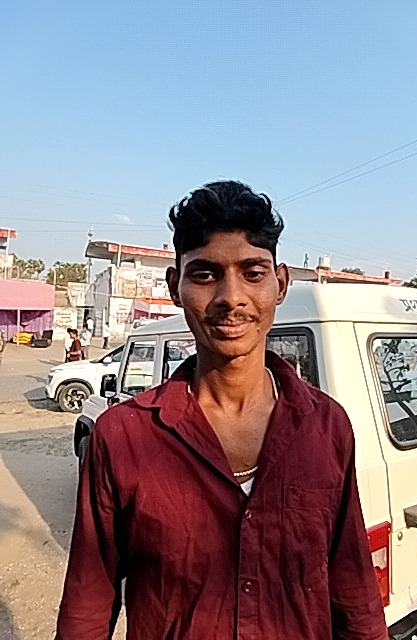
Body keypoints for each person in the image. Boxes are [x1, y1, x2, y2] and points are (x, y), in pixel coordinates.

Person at [56, 181, 388, 639]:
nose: (231, 297)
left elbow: (353, 589)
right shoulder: (122, 438)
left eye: (253, 273)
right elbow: (88, 604)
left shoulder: (327, 426)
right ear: (175, 287)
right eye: (205, 275)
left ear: (281, 284)